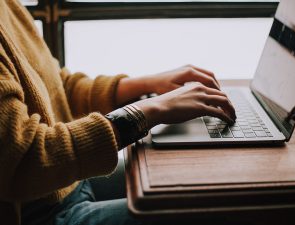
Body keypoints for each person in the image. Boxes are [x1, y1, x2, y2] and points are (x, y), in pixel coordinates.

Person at [0, 0, 236, 225]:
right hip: (39, 214)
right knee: (218, 210)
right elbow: (24, 160)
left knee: (202, 180)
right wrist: (146, 111)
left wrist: (147, 84)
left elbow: (56, 88)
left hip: (67, 182)